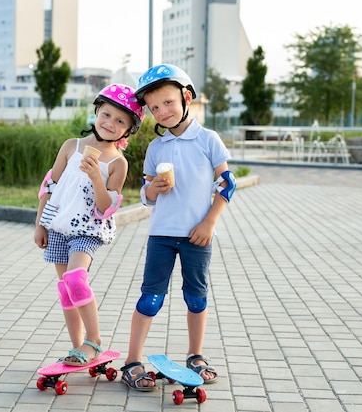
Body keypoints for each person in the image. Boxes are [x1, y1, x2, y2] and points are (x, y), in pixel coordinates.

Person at [120, 64, 236, 390]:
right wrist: (153, 189)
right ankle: (132, 361)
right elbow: (145, 194)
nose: (162, 112)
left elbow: (227, 184)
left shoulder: (208, 140)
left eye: (168, 102)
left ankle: (195, 355)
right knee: (150, 299)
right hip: (161, 235)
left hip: (197, 235)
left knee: (195, 298)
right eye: (155, 108)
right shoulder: (156, 148)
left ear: (186, 97)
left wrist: (209, 222)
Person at [34, 83, 145, 366]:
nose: (110, 123)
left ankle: (93, 340)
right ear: (97, 112)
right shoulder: (72, 146)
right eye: (106, 115)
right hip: (58, 225)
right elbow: (49, 186)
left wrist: (97, 176)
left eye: (120, 121)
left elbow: (106, 206)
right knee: (65, 288)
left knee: (75, 279)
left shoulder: (118, 163)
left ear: (127, 130)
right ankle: (77, 346)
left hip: (88, 229)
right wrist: (40, 225)